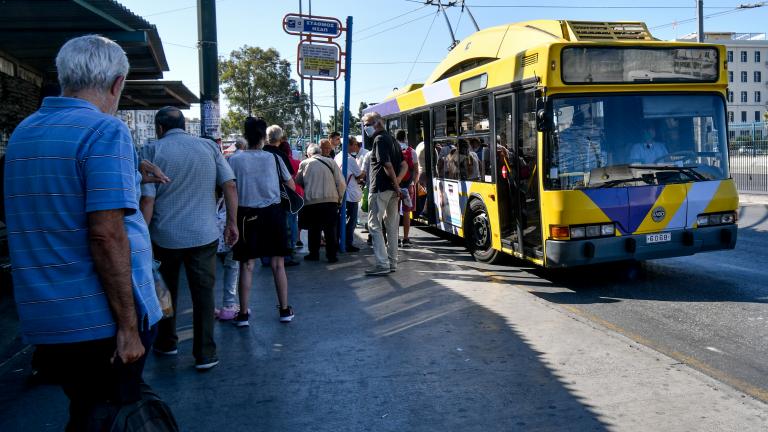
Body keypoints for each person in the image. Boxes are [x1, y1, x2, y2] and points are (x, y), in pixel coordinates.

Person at [3, 35, 166, 429]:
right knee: (111, 413)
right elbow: (106, 235)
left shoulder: (24, 133)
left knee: (84, 407)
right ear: (117, 84)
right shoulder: (104, 131)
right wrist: (129, 328)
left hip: (47, 316)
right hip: (99, 319)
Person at [140, 106, 239, 371]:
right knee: (203, 294)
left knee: (166, 291)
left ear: (160, 128)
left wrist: (141, 237)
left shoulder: (151, 151)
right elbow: (229, 184)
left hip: (165, 237)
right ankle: (205, 353)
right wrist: (231, 222)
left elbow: (148, 199)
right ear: (184, 125)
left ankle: (167, 341)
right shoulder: (208, 147)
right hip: (203, 234)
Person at [228, 117, 296, 326]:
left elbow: (230, 188)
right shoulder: (274, 158)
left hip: (246, 215)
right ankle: (284, 310)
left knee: (247, 265)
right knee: (278, 264)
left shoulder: (235, 159)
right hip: (273, 214)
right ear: (263, 135)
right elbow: (291, 185)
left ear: (245, 135)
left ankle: (243, 314)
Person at [362, 112, 408, 276]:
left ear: (377, 123)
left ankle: (382, 264)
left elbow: (387, 166)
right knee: (392, 226)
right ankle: (392, 262)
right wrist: (398, 184)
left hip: (380, 188)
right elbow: (403, 165)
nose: (365, 127)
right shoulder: (392, 139)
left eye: (367, 123)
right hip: (392, 191)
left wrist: (396, 185)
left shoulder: (379, 139)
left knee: (374, 225)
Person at [296, 143, 346, 262]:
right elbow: (341, 183)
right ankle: (332, 256)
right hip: (331, 201)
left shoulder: (304, 163)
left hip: (312, 201)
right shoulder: (331, 162)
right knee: (330, 230)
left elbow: (298, 181)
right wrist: (339, 198)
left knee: (314, 229)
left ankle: (314, 254)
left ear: (309, 154)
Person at [262, 125, 299, 267]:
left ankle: (265, 258)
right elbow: (289, 180)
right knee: (283, 229)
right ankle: (285, 257)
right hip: (278, 198)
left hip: (260, 198)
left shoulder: (260, 152)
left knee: (265, 231)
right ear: (280, 138)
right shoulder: (279, 155)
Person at [335, 136, 365, 252]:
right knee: (351, 220)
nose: (356, 147)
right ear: (349, 145)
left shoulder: (337, 156)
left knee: (341, 219)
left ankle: (339, 241)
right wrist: (364, 169)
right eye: (354, 144)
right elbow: (359, 175)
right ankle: (348, 243)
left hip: (341, 193)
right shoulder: (350, 159)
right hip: (350, 194)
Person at [395, 130, 419, 248]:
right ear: (405, 138)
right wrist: (413, 183)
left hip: (395, 185)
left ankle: (394, 238)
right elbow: (416, 170)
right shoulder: (412, 151)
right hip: (408, 185)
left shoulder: (393, 150)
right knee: (406, 212)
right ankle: (405, 239)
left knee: (393, 212)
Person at [280, 138, 303, 252]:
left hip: (284, 195)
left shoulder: (279, 162)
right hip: (297, 194)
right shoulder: (297, 162)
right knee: (294, 220)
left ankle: (288, 244)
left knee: (286, 221)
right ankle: (294, 242)